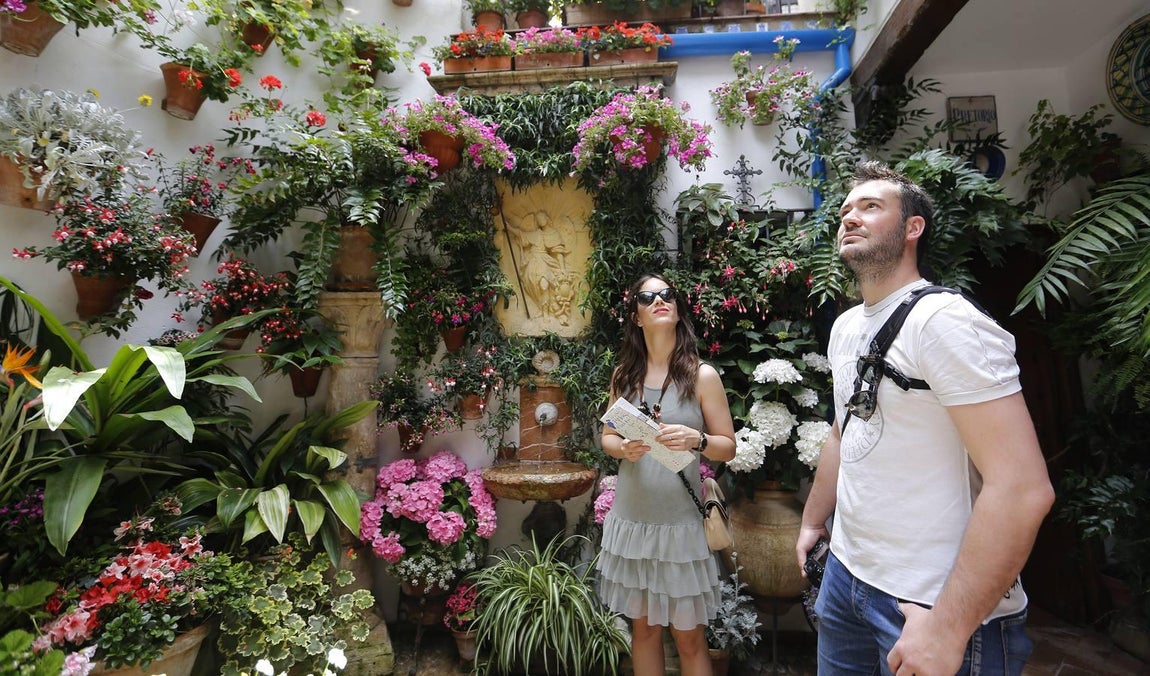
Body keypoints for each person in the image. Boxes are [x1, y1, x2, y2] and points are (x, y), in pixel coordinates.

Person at [795, 161, 1055, 675]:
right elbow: (844, 432)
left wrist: (948, 629)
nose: (850, 217)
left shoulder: (944, 323)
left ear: (913, 228)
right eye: (846, 209)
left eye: (871, 207)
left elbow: (1023, 488)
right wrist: (812, 520)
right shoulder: (847, 327)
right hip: (847, 581)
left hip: (928, 604)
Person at [598, 273, 737, 676]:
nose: (660, 300)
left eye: (667, 295)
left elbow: (728, 446)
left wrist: (697, 439)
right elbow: (607, 436)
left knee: (690, 639)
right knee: (642, 634)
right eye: (647, 296)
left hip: (680, 527)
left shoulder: (701, 375)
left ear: (677, 310)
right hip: (634, 523)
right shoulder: (625, 374)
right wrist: (623, 448)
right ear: (636, 317)